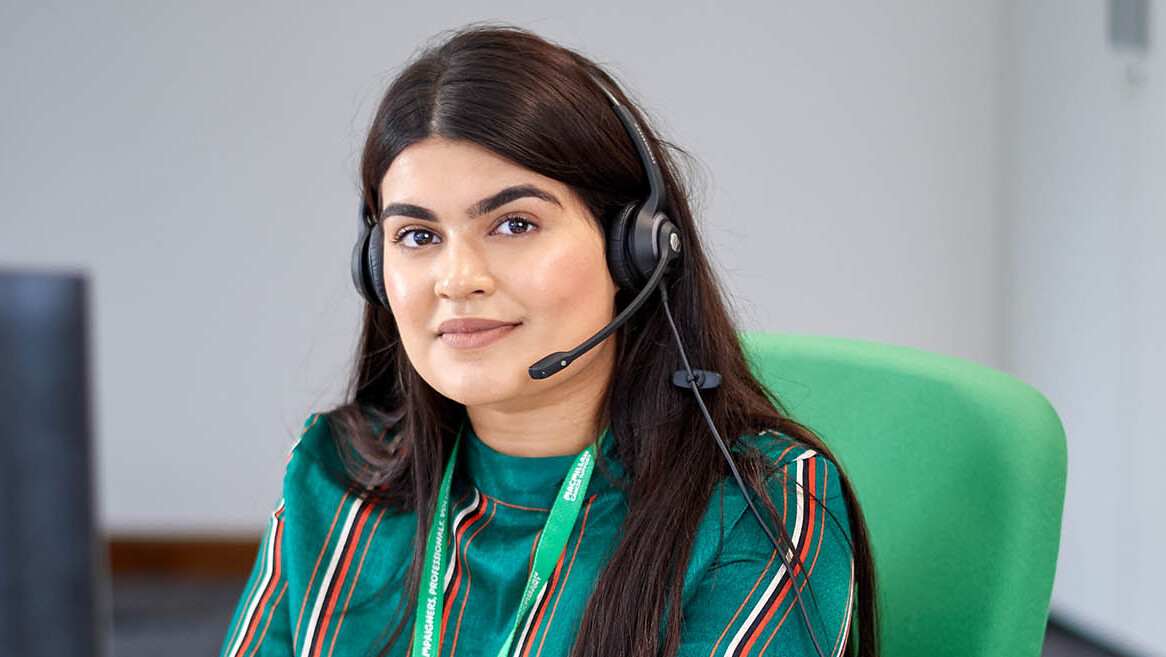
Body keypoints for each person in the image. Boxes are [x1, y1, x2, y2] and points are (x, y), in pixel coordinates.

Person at [221, 24, 877, 657]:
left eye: (513, 224)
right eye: (417, 236)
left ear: (634, 253)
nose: (458, 279)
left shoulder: (757, 508)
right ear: (375, 267)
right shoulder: (335, 476)